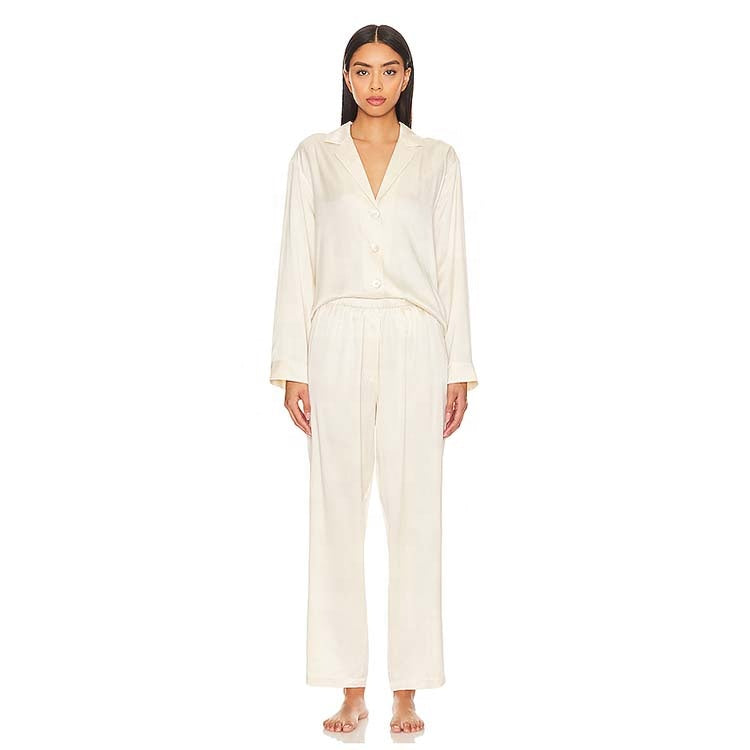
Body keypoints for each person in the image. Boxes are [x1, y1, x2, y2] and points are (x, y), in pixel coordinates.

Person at [269, 24, 478, 735]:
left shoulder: (438, 159)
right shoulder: (314, 157)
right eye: (363, 70)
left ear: (407, 77)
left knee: (416, 512)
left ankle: (408, 691)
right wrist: (291, 365)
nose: (377, 84)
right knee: (335, 512)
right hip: (334, 335)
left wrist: (459, 368)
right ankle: (350, 689)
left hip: (418, 338)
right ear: (346, 76)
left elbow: (452, 264)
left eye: (390, 70)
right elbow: (296, 258)